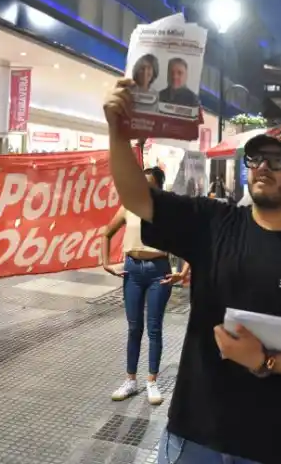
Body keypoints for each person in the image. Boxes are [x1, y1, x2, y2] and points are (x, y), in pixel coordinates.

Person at [104, 79, 281, 464]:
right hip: (197, 432)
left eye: (278, 160)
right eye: (256, 159)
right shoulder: (213, 223)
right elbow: (138, 198)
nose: (263, 168)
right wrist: (117, 134)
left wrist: (264, 361)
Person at [102, 166, 189, 406]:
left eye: (149, 184)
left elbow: (188, 242)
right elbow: (106, 233)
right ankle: (130, 380)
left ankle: (152, 381)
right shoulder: (128, 207)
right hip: (132, 271)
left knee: (154, 328)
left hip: (158, 272)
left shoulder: (168, 213)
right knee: (134, 328)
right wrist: (106, 263)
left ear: (159, 187)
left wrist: (182, 273)